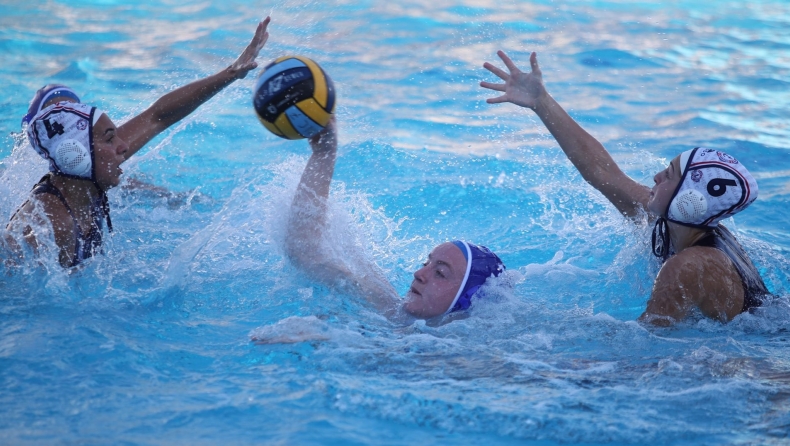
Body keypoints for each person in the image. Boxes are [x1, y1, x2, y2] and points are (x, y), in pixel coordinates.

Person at [480, 50, 770, 326]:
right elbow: (602, 172)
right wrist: (541, 101)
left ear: (689, 200)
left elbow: (648, 341)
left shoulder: (687, 266)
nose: (656, 177)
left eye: (668, 175)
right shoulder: (682, 225)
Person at [6, 18, 271, 268]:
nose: (124, 146)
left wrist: (231, 73)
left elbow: (158, 116)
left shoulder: (86, 173)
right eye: (111, 138)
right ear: (75, 155)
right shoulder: (49, 227)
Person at [283, 118, 506, 324]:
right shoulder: (385, 306)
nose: (419, 275)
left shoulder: (470, 354)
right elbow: (304, 250)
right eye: (426, 264)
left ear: (468, 301)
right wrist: (324, 152)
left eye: (440, 273)